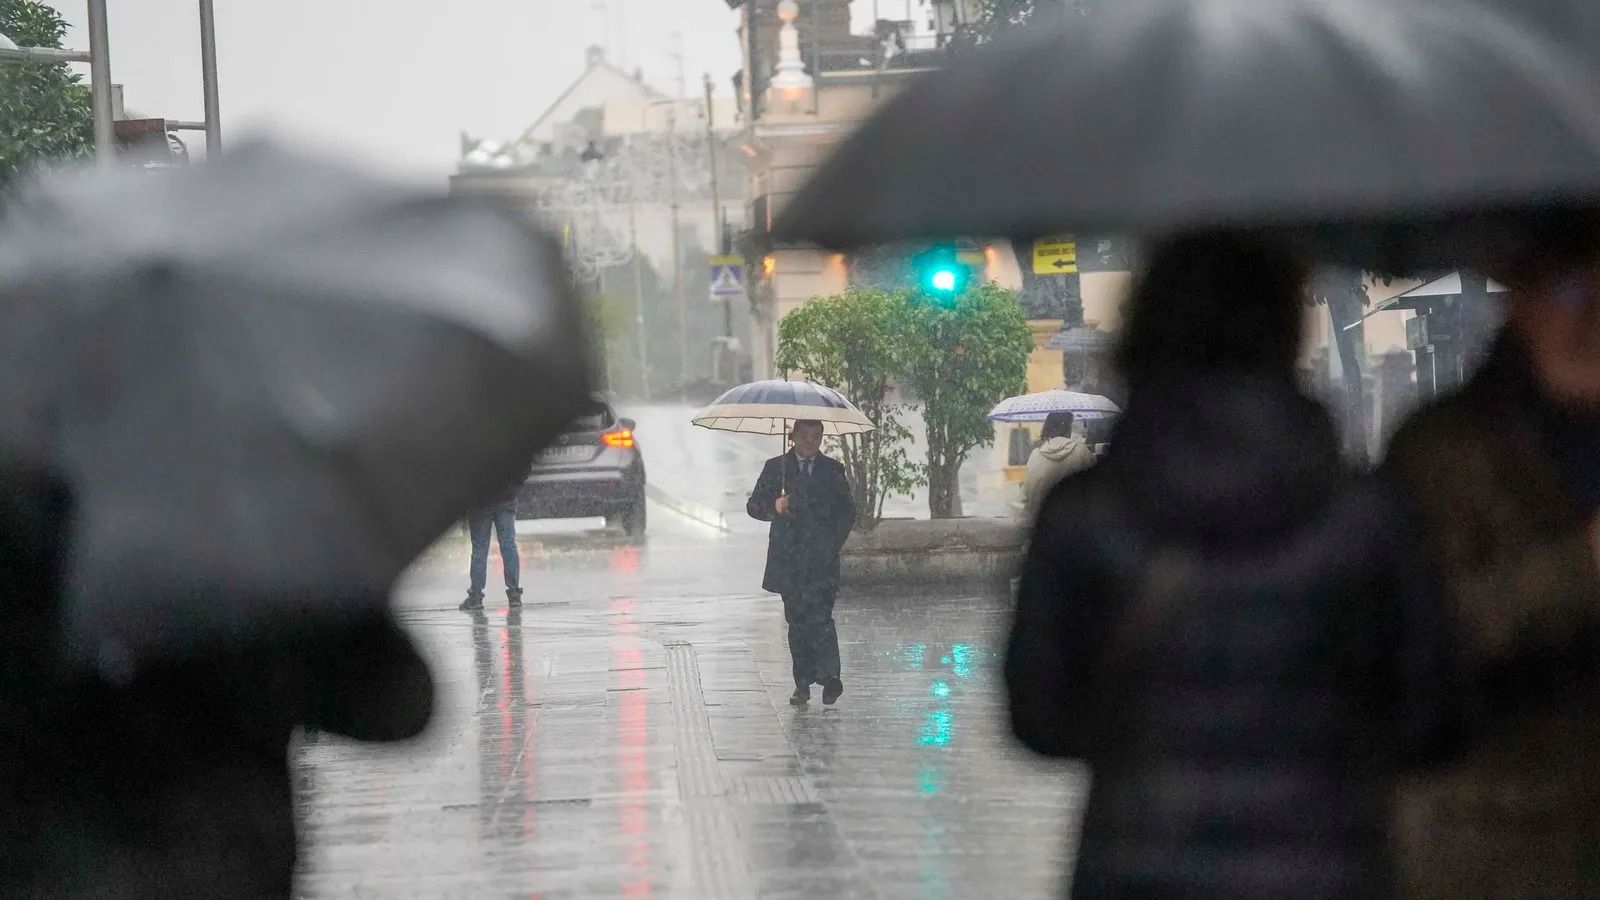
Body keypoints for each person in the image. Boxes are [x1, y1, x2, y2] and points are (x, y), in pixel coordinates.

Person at [1006, 235, 1456, 900]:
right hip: (1324, 871)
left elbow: (1039, 720)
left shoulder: (1084, 515)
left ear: (1142, 328)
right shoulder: (1366, 514)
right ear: (1287, 329)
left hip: (1137, 872)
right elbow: (1432, 719)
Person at [1381, 242, 1600, 900]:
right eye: (1572, 295)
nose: (1592, 320)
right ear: (1523, 301)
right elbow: (1420, 633)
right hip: (1492, 841)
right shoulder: (1445, 448)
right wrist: (1579, 569)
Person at [747, 419, 856, 706]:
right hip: (789, 560)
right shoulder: (776, 468)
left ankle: (830, 678)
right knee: (798, 622)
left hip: (822, 561)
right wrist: (774, 506)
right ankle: (803, 682)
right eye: (805, 436)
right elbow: (754, 506)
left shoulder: (832, 470)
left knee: (821, 619)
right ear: (793, 436)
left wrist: (831, 543)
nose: (810, 442)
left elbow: (847, 512)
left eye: (816, 436)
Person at [1023, 411, 1096, 520]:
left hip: (1043, 519)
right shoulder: (1082, 452)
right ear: (1068, 428)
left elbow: (1027, 492)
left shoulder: (1036, 455)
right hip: (1075, 517)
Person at [461, 487, 521, 611]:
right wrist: (513, 487)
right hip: (505, 497)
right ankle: (514, 595)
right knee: (508, 546)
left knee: (480, 548)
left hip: (480, 501)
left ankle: (476, 597)